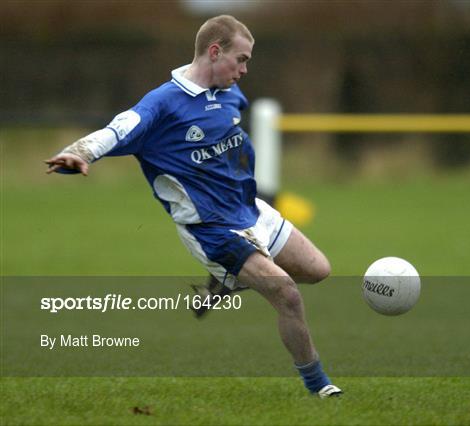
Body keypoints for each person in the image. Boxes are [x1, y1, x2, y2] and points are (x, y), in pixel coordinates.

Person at [45, 15, 342, 398]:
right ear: (215, 52)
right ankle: (319, 386)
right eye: (242, 59)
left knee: (319, 270)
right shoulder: (162, 105)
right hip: (212, 230)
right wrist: (78, 152)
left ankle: (226, 282)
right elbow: (116, 130)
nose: (245, 69)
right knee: (286, 293)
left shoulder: (232, 95)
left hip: (250, 209)